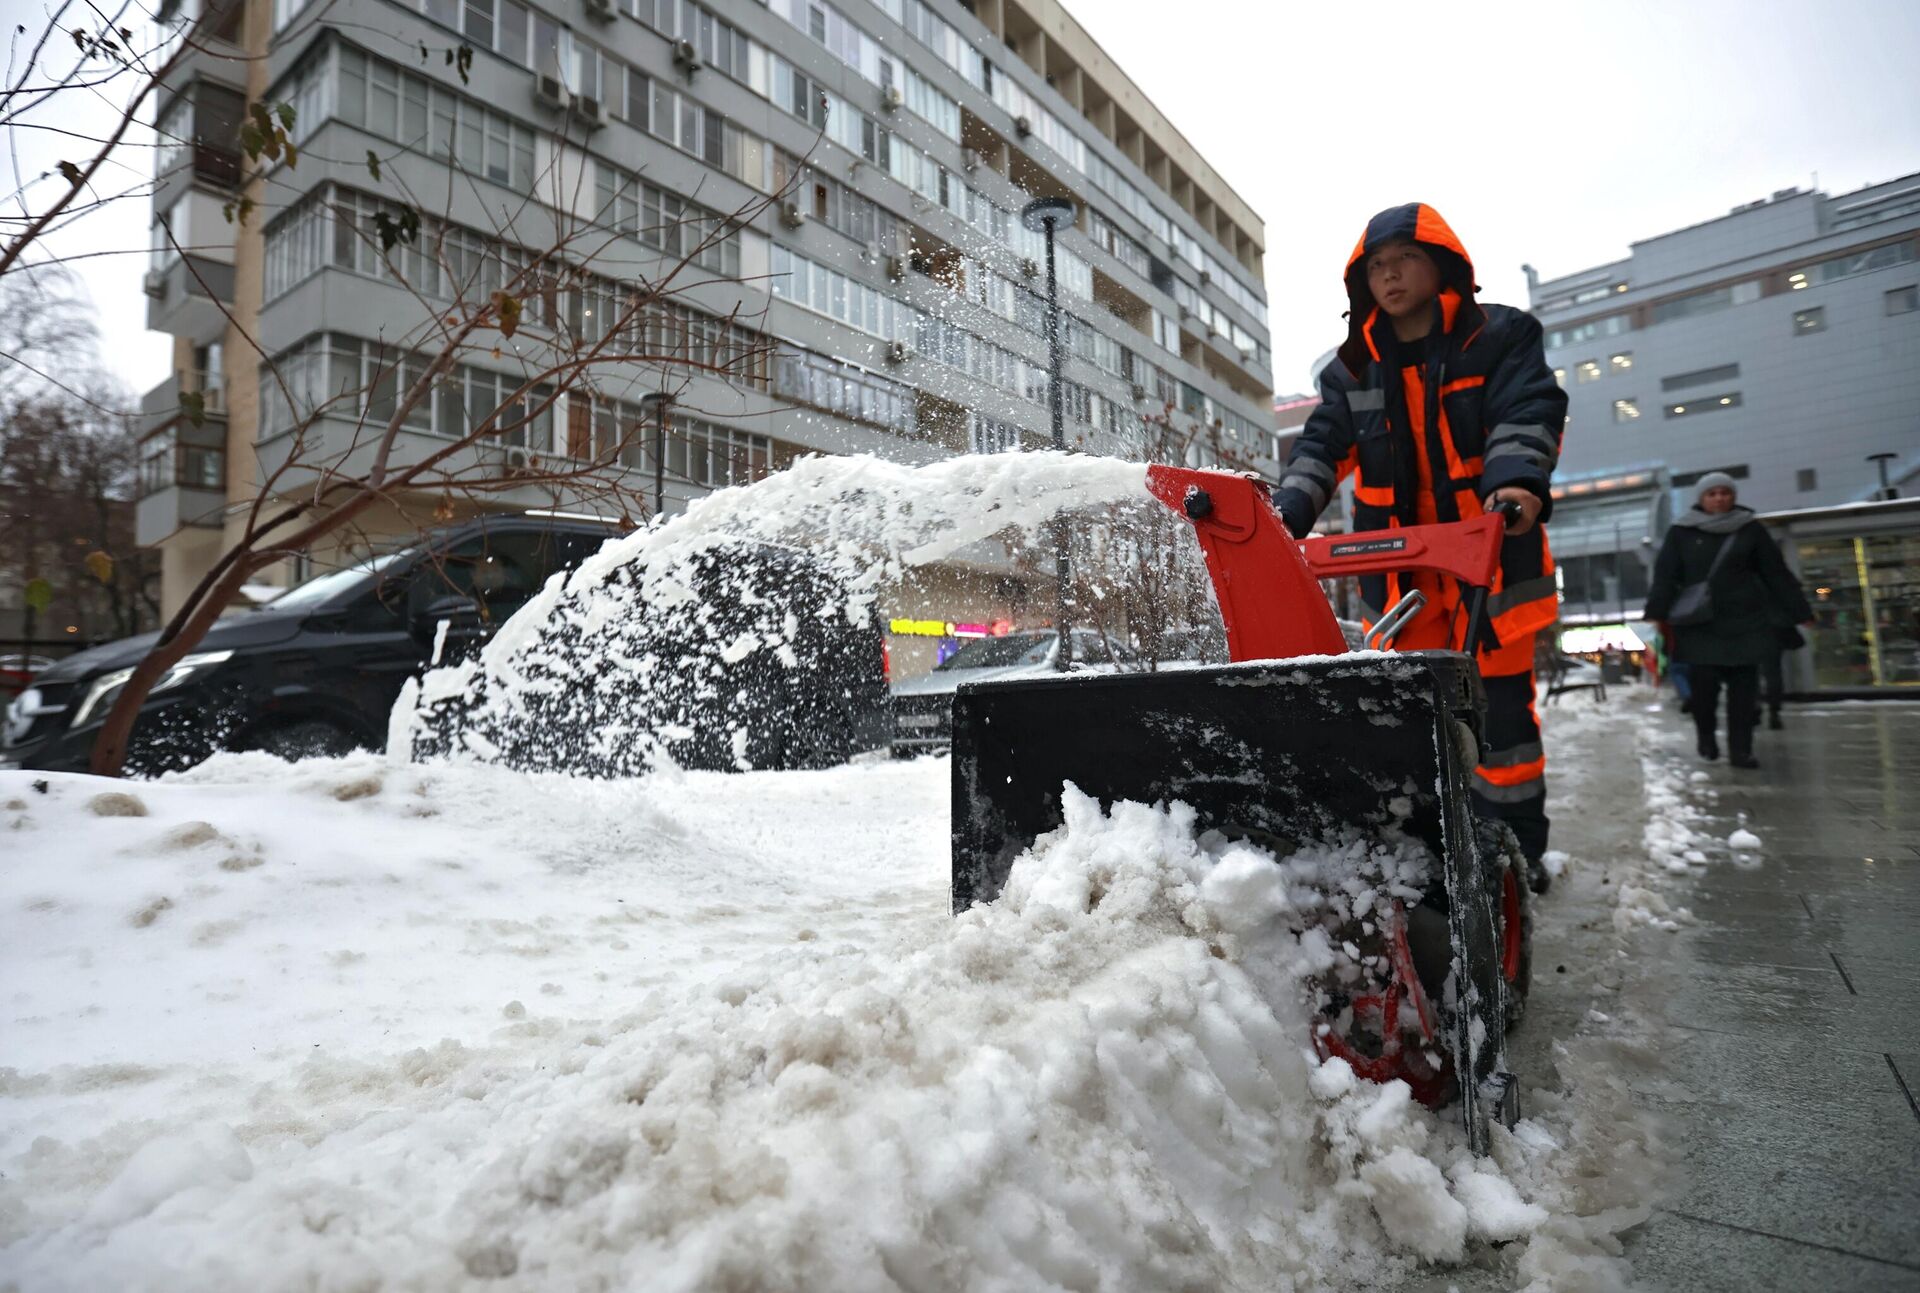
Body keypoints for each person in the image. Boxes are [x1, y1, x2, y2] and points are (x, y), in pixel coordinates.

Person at [1274, 204, 1568, 893]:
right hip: (1403, 580)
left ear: (1441, 264)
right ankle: (1435, 852)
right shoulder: (1354, 369)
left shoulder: (1499, 338)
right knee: (1415, 722)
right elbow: (1323, 445)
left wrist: (1518, 487)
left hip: (1490, 561)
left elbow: (1526, 413)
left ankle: (1517, 855)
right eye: (1375, 266)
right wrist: (1289, 510)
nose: (1389, 274)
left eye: (1402, 258)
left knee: (1502, 721)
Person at [1644, 473, 1813, 768]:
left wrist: (1801, 612)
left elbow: (1776, 574)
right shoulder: (1681, 532)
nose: (1720, 498)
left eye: (1725, 493)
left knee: (1744, 692)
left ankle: (1741, 750)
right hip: (1699, 623)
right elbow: (1665, 577)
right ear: (1701, 498)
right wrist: (1657, 614)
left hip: (1746, 620)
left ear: (1733, 496)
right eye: (1713, 493)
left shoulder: (1750, 530)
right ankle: (1706, 736)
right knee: (1704, 691)